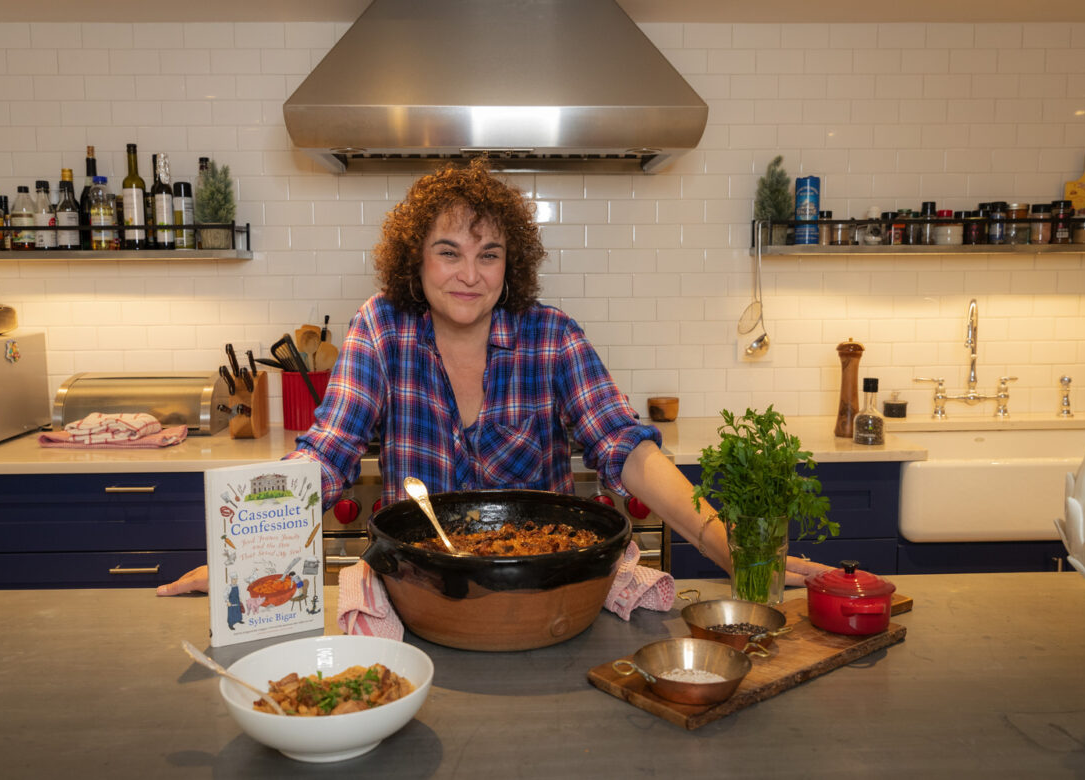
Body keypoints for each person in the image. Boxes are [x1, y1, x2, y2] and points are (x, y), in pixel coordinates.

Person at [157, 161, 826, 596]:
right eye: (448, 253)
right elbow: (327, 455)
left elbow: (626, 447)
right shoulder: (381, 328)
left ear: (513, 264)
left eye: (489, 254)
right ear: (414, 261)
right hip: (419, 592)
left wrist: (725, 543)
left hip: (547, 588)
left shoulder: (551, 336)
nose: (469, 275)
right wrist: (242, 554)